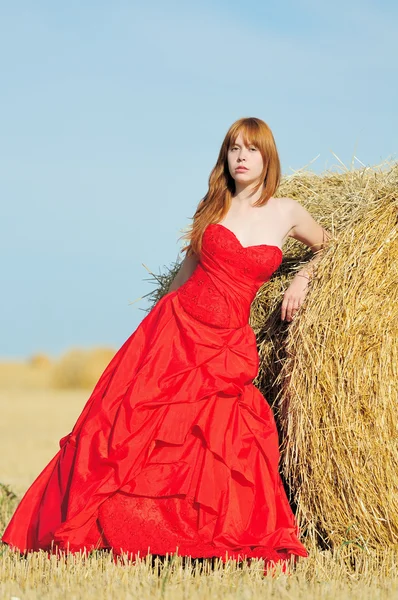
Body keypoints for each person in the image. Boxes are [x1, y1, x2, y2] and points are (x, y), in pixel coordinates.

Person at [2, 117, 330, 569]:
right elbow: (185, 274)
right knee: (136, 428)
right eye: (233, 148)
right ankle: (121, 522)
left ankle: (192, 527)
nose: (240, 156)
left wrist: (302, 279)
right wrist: (153, 326)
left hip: (228, 340)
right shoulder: (214, 206)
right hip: (179, 328)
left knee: (219, 434)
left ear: (266, 156)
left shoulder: (288, 212)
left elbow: (327, 247)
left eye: (250, 149)